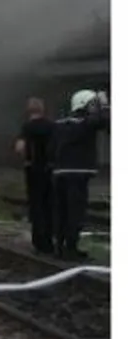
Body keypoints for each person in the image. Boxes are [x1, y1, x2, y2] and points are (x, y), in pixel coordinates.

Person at [48, 89, 109, 261]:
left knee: (61, 211)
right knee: (76, 213)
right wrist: (104, 103)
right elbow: (104, 119)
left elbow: (50, 149)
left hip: (59, 174)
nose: (94, 108)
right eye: (92, 104)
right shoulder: (85, 123)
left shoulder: (59, 124)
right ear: (83, 104)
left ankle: (59, 247)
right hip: (78, 175)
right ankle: (71, 249)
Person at [14, 97, 55, 254]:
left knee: (36, 205)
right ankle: (50, 241)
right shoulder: (52, 126)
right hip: (50, 169)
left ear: (28, 110)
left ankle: (38, 241)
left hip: (33, 169)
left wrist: (26, 157)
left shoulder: (27, 127)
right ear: (43, 109)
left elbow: (20, 147)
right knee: (49, 204)